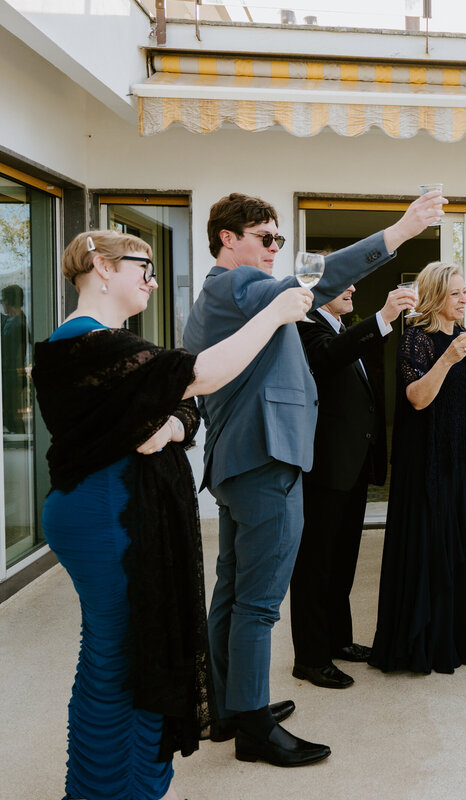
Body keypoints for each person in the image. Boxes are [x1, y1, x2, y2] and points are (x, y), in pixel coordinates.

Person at [32, 230, 312, 800]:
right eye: (143, 267)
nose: (152, 280)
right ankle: (106, 790)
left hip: (124, 509)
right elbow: (199, 377)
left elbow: (183, 404)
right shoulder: (80, 345)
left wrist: (170, 426)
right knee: (118, 655)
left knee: (139, 649)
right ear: (99, 266)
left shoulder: (118, 344)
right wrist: (276, 313)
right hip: (104, 515)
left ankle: (138, 779)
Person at [182, 190, 441, 767]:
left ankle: (230, 706)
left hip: (244, 459)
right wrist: (398, 232)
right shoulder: (235, 286)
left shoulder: (230, 296)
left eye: (278, 238)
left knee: (232, 589)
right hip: (265, 461)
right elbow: (317, 288)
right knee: (259, 602)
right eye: (265, 238)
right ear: (229, 238)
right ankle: (251, 727)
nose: (275, 248)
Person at [370, 261, 466, 674]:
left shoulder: (462, 335)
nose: (464, 300)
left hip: (461, 454)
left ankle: (463, 633)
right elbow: (419, 399)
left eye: (465, 292)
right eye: (457, 294)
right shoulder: (415, 338)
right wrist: (447, 360)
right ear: (436, 296)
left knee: (461, 542)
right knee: (431, 544)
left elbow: (461, 398)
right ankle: (428, 641)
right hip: (427, 460)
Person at [289, 284, 412, 689]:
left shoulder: (341, 328)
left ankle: (338, 641)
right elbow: (328, 358)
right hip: (324, 468)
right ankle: (309, 658)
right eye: (343, 282)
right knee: (315, 565)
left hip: (352, 466)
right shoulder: (307, 329)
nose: (354, 287)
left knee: (342, 561)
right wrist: (384, 318)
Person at [2, 283, 28, 432]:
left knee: (14, 414)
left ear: (6, 302)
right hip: (11, 376)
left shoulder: (19, 324)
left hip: (13, 376)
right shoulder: (13, 321)